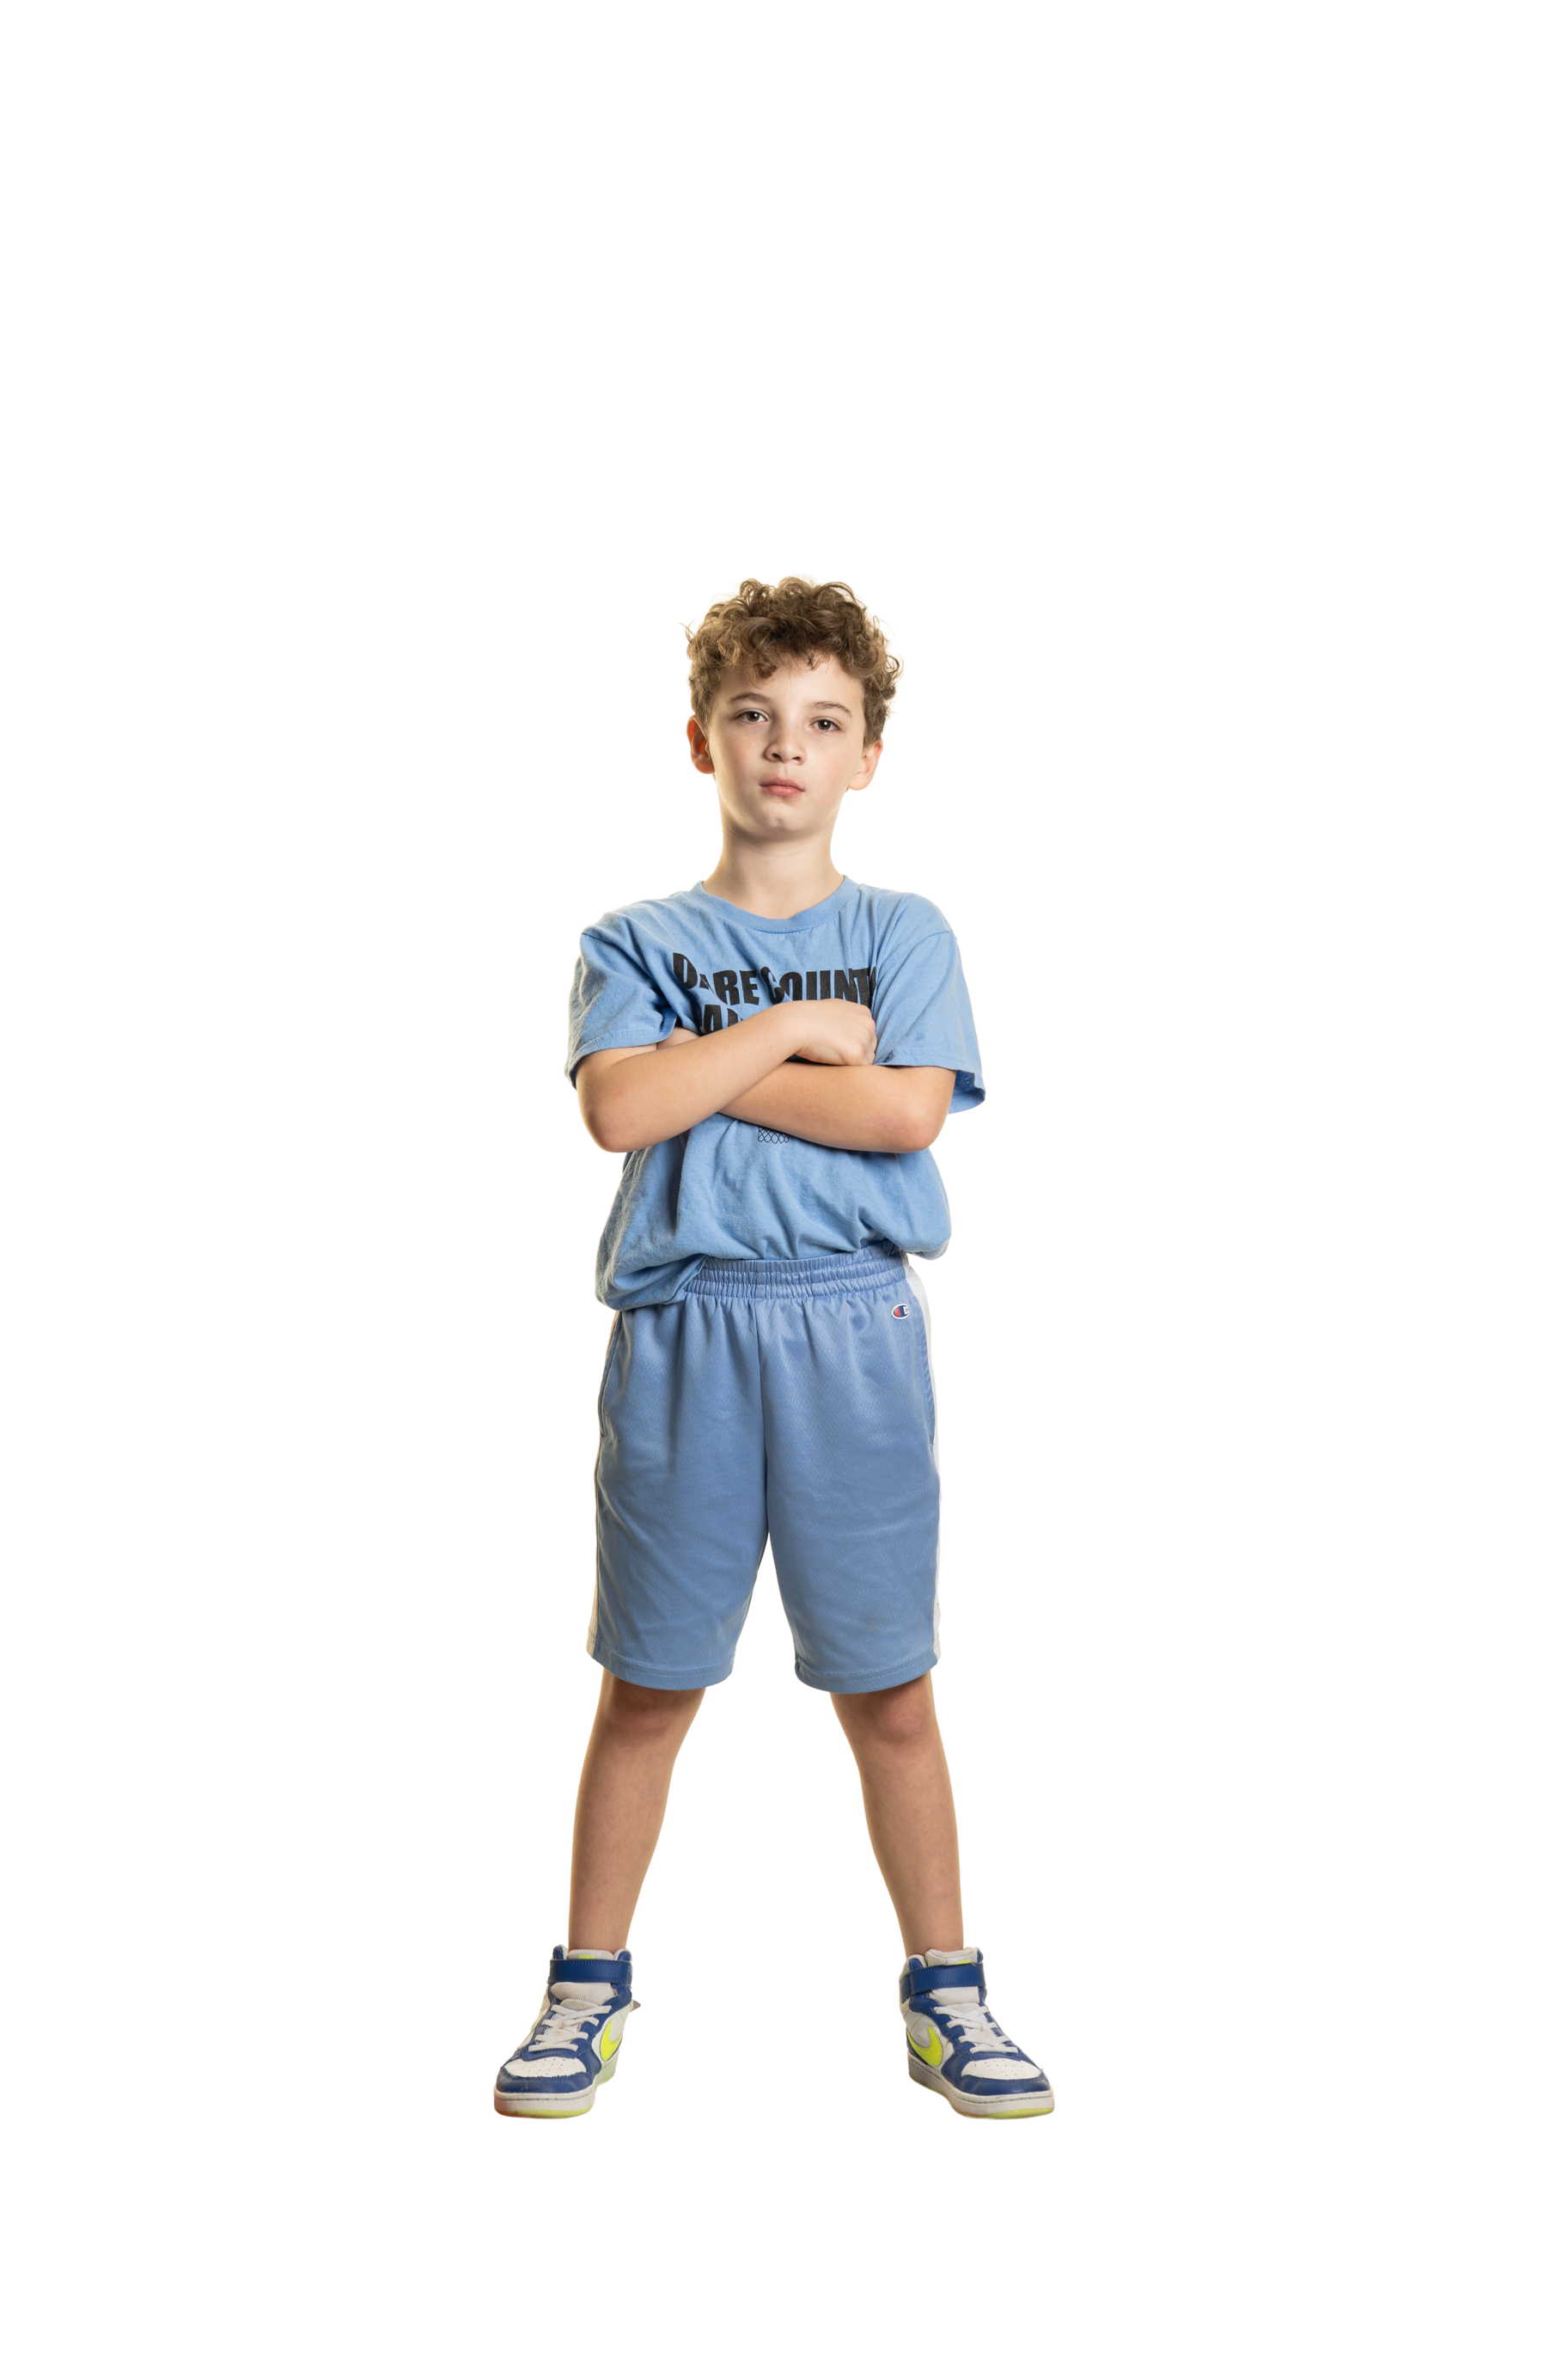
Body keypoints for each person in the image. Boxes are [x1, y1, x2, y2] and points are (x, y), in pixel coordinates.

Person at [493, 575, 1054, 2123]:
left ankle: (946, 1988)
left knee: (892, 1688)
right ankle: (584, 1986)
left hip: (855, 1327)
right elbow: (619, 1108)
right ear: (702, 741)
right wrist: (799, 1033)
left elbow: (904, 1111)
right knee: (646, 1683)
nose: (784, 746)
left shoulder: (903, 929)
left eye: (820, 721)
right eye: (752, 715)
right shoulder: (634, 934)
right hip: (683, 1330)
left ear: (866, 753)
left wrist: (704, 1063)